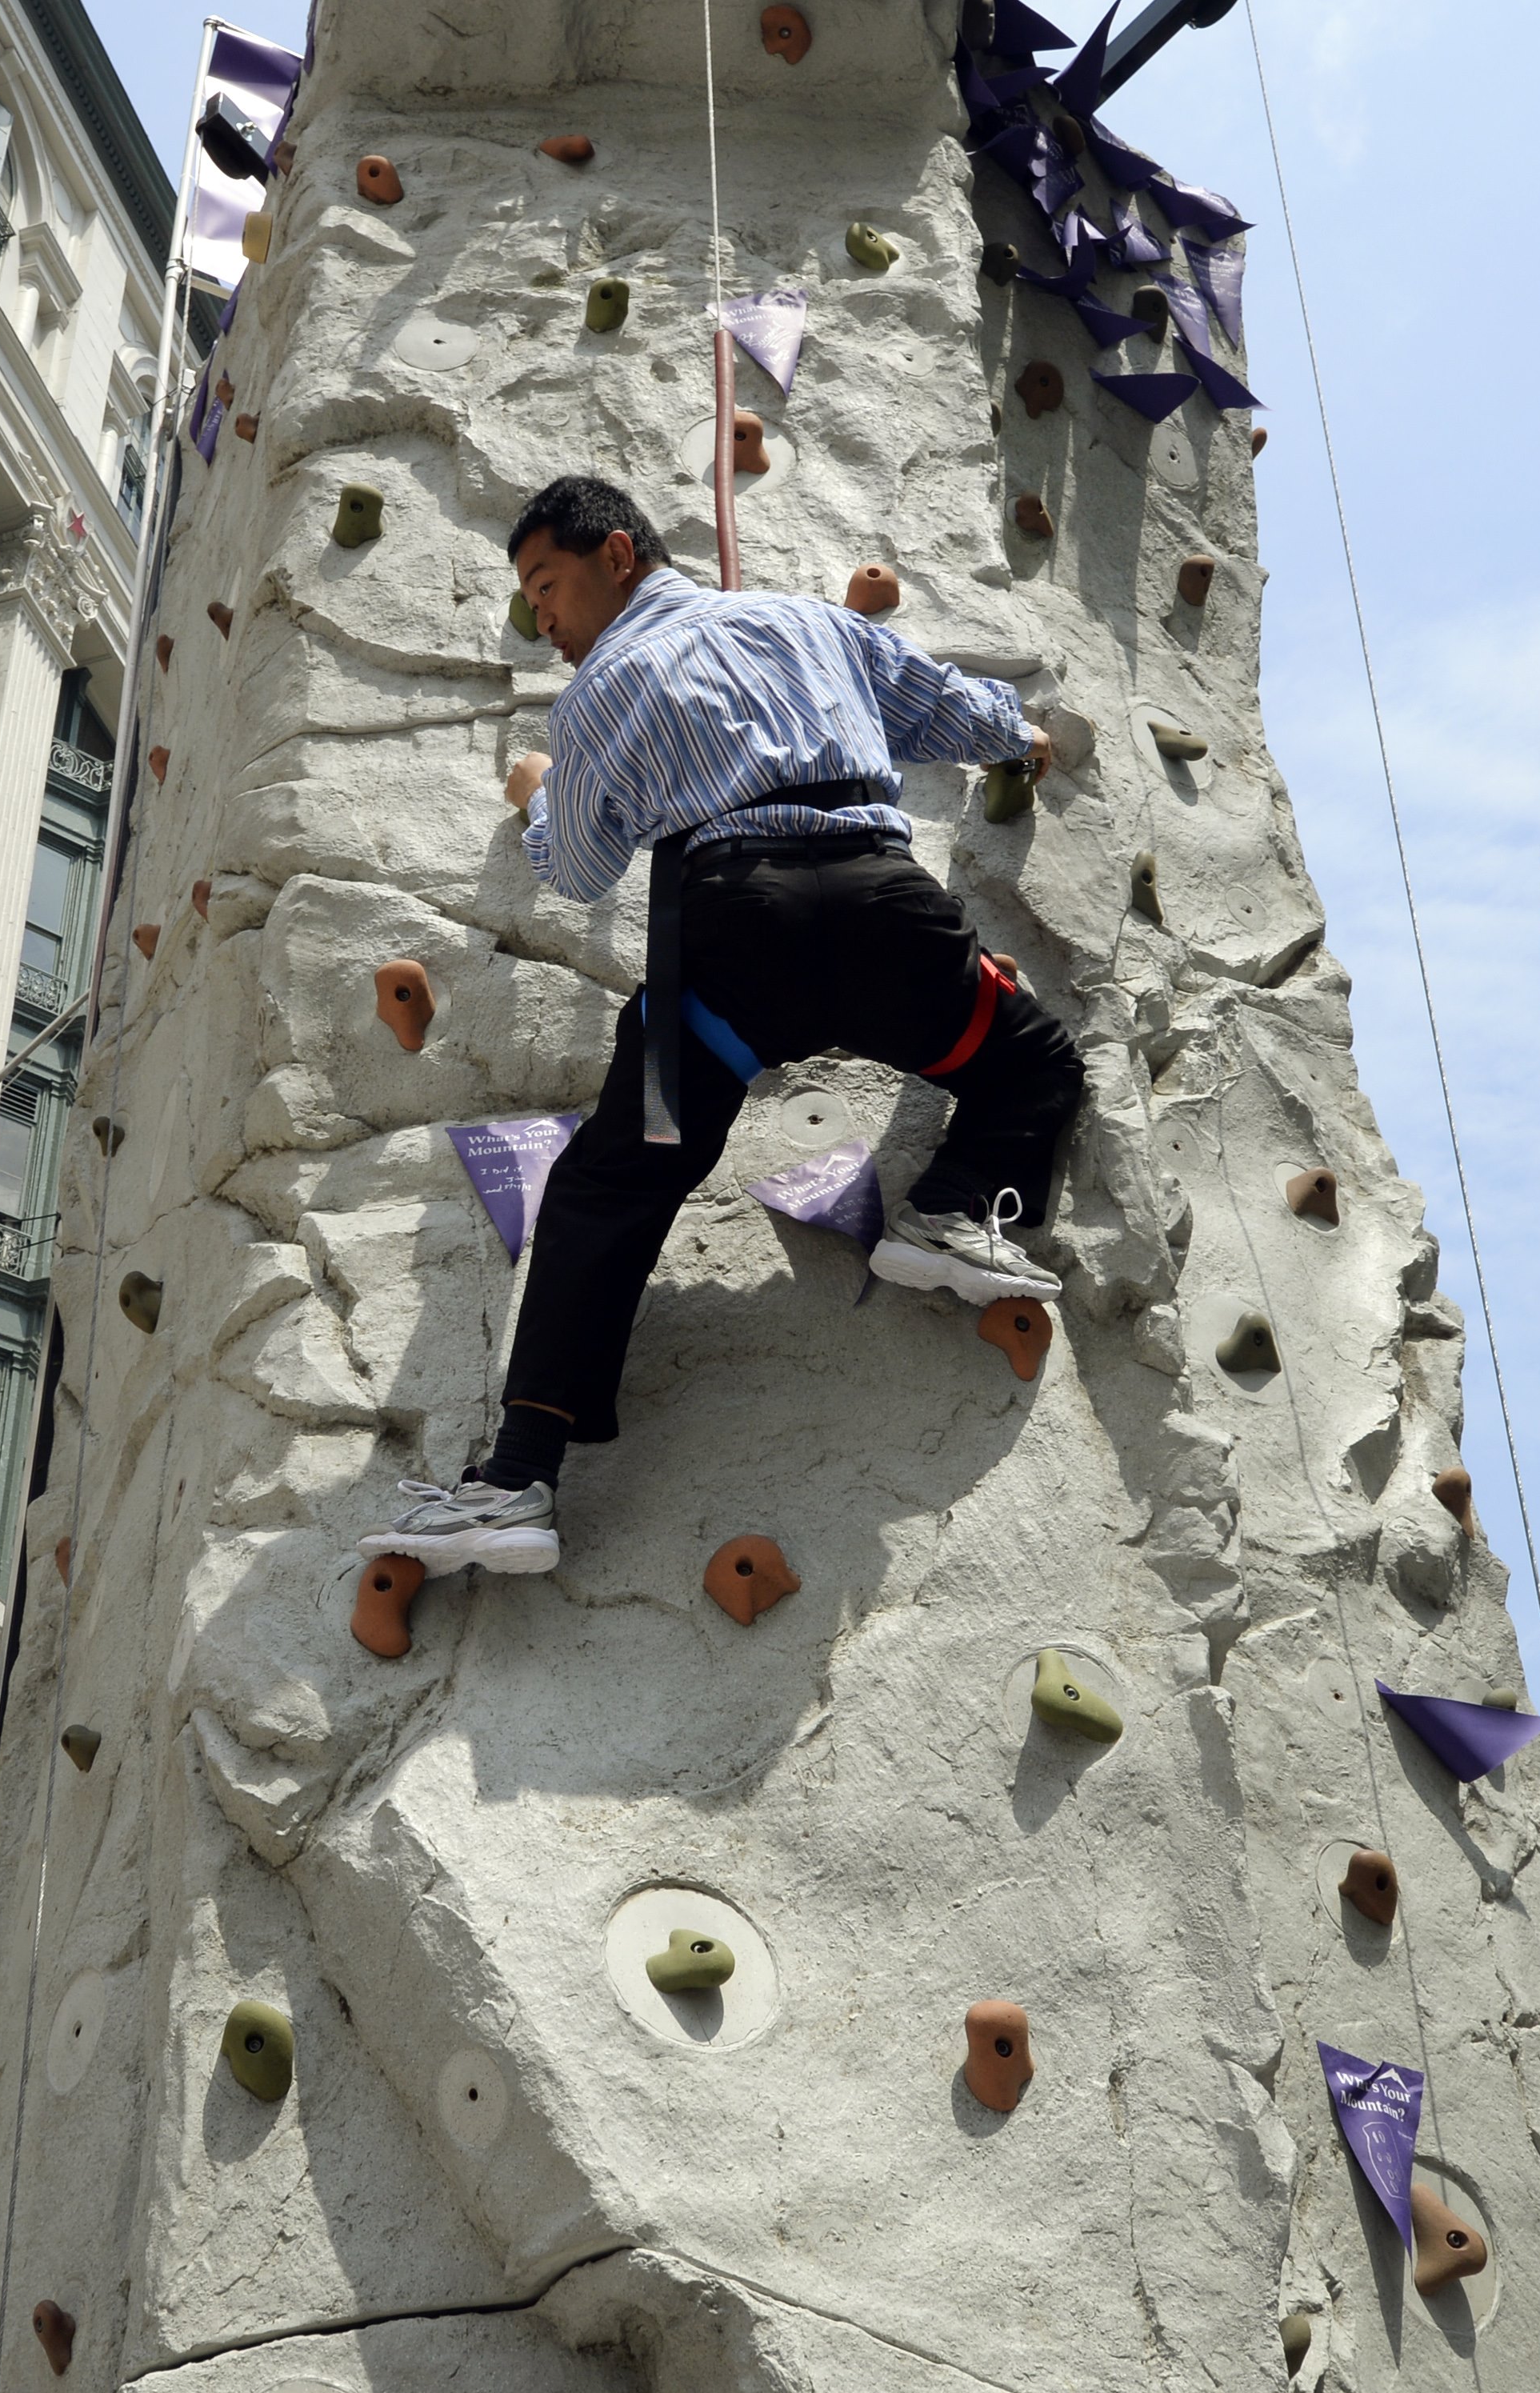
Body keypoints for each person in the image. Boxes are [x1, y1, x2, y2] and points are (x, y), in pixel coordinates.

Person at [359, 474, 1088, 1576]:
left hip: (728, 952)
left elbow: (583, 866)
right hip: (878, 913)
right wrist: (1018, 735)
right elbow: (941, 706)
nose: (541, 619)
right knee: (1028, 1058)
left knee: (613, 1181)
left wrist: (540, 797)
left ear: (616, 555)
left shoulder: (604, 684)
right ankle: (946, 1210)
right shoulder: (808, 620)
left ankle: (515, 1480)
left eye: (547, 586)